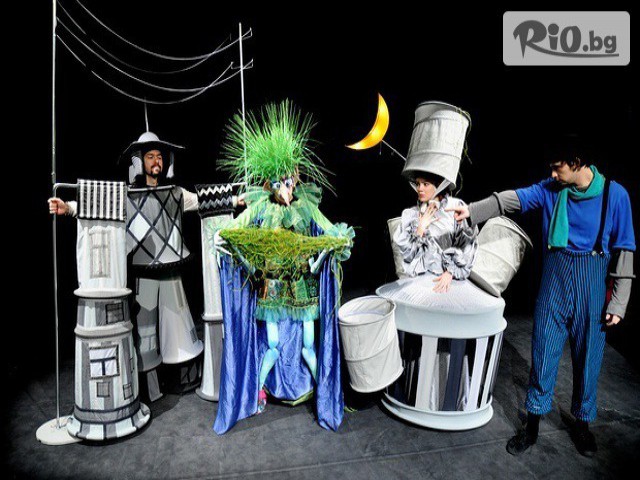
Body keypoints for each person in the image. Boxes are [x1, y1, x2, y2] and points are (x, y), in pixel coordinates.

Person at [447, 137, 635, 457]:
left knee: (588, 361)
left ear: (576, 163)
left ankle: (582, 424)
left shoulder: (614, 196)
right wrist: (471, 211)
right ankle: (532, 425)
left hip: (591, 290)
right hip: (554, 286)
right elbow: (513, 199)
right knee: (543, 355)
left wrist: (619, 302)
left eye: (558, 167)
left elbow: (625, 250)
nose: (552, 173)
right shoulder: (552, 189)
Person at [211, 100, 354, 434]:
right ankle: (256, 392)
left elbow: (331, 231)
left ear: (296, 178)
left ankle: (324, 392)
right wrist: (226, 242)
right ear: (269, 184)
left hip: (302, 285)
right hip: (273, 286)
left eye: (288, 181)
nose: (285, 189)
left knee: (308, 345)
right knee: (273, 345)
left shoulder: (306, 208)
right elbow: (233, 230)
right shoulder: (261, 207)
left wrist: (331, 247)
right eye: (278, 183)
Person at [49, 131, 221, 402]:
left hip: (171, 271)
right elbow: (99, 202)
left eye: (159, 156)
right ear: (140, 161)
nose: (156, 161)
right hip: (145, 273)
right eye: (150, 156)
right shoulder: (128, 196)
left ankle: (181, 380)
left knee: (179, 326)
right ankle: (151, 392)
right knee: (146, 333)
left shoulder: (176, 193)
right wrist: (68, 208)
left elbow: (204, 200)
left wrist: (235, 200)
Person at [394, 172, 478, 290]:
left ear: (439, 186)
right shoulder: (411, 215)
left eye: (425, 184)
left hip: (450, 282)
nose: (419, 188)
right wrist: (420, 229)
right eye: (418, 184)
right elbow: (407, 256)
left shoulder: (455, 207)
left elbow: (467, 244)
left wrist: (451, 271)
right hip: (421, 282)